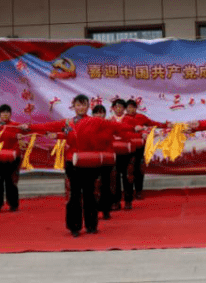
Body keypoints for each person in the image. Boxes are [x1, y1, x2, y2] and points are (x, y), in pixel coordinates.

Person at [24, 94, 139, 237]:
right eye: (78, 105)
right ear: (74, 107)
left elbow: (116, 126)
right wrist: (28, 127)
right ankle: (75, 227)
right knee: (74, 195)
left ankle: (91, 225)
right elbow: (48, 127)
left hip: (90, 162)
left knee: (90, 194)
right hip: (72, 162)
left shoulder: (96, 122)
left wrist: (135, 129)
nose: (80, 108)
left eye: (83, 105)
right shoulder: (68, 123)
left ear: (87, 106)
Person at [123, 99, 166, 200]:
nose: (131, 109)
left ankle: (139, 191)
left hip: (140, 146)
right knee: (129, 170)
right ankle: (129, 193)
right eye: (128, 107)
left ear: (136, 108)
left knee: (139, 169)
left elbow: (152, 123)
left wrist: (165, 125)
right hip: (128, 147)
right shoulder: (124, 119)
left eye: (132, 107)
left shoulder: (140, 117)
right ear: (126, 108)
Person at [107, 99, 138, 212]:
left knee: (128, 176)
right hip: (114, 152)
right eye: (116, 107)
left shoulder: (130, 119)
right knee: (114, 177)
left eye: (121, 107)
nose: (118, 109)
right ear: (113, 108)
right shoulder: (109, 120)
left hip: (128, 151)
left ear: (124, 109)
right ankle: (116, 201)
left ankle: (128, 200)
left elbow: (137, 132)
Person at [0, 104, 22, 214]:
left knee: (11, 182)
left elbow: (23, 135)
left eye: (7, 112)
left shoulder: (16, 125)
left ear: (10, 114)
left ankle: (13, 204)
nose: (5, 114)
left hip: (12, 158)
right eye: (3, 112)